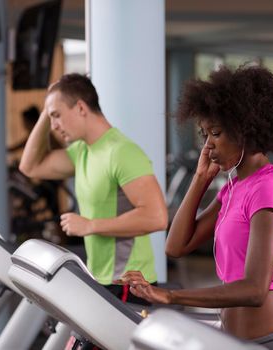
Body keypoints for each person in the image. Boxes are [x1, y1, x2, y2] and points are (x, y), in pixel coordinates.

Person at [119, 65, 273, 349]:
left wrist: (170, 297)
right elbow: (176, 246)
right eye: (204, 134)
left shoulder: (267, 188)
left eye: (216, 133)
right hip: (232, 340)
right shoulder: (233, 188)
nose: (207, 146)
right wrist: (199, 179)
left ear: (245, 130)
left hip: (271, 342)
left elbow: (255, 289)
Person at [19, 73, 168, 305]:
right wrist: (47, 113)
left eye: (57, 116)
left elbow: (156, 217)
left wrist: (90, 226)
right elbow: (30, 167)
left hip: (127, 284)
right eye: (52, 119)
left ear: (80, 107)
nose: (55, 126)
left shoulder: (122, 152)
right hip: (100, 278)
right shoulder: (82, 151)